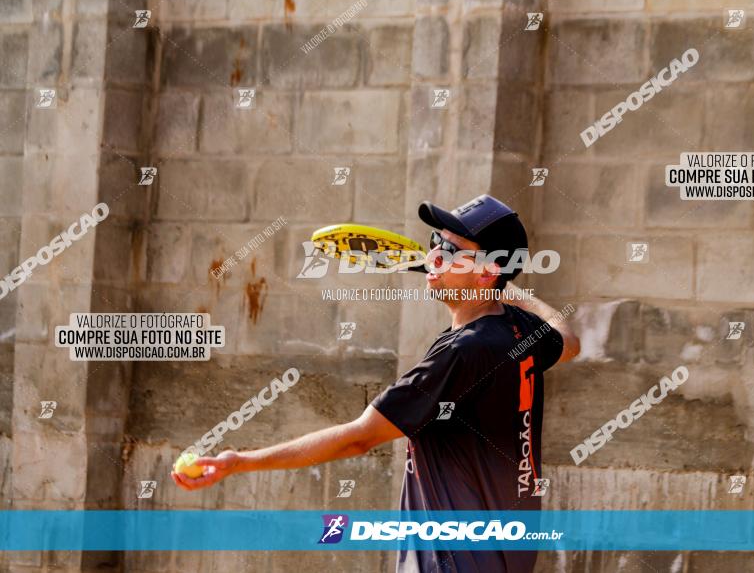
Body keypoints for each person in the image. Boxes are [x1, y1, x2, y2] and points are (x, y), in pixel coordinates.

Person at [171, 194, 581, 572]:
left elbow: (358, 438)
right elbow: (570, 341)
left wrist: (239, 462)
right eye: (435, 241)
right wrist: (512, 293)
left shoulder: (464, 353)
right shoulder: (517, 332)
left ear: (488, 271)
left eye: (452, 250)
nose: (434, 254)